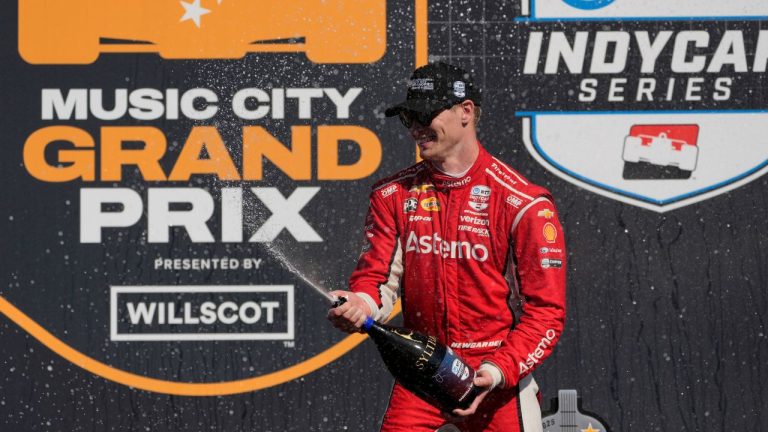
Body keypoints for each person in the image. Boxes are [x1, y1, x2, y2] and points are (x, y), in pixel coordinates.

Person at [327, 62, 566, 432]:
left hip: (496, 374)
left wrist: (497, 371)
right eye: (408, 117)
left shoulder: (524, 203)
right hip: (423, 366)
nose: (416, 128)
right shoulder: (391, 195)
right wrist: (360, 304)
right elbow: (377, 281)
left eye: (425, 115)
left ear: (465, 112)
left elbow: (546, 314)